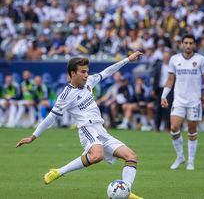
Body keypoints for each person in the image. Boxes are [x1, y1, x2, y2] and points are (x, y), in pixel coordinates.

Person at [15, 51, 144, 199]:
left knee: (131, 156)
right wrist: (33, 136)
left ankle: (125, 191)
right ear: (72, 73)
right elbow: (51, 117)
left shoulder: (89, 82)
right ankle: (59, 172)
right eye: (83, 72)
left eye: (87, 71)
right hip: (86, 129)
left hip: (100, 129)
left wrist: (127, 59)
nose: (86, 75)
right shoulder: (65, 95)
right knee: (97, 155)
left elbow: (107, 71)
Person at [161, 34, 204, 171]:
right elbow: (170, 79)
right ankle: (180, 157)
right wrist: (164, 95)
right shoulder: (174, 59)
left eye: (191, 43)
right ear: (182, 44)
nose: (188, 45)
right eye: (186, 43)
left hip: (194, 101)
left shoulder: (200, 60)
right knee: (174, 127)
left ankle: (191, 161)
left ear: (194, 45)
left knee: (192, 130)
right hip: (178, 100)